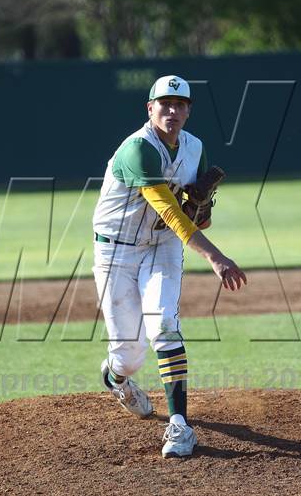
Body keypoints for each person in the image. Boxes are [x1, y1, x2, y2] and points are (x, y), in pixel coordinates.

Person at [92, 75, 247, 458]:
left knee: (163, 323)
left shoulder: (195, 149)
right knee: (129, 356)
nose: (172, 111)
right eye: (164, 103)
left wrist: (202, 206)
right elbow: (171, 212)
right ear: (150, 109)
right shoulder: (138, 149)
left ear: (189, 111)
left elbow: (197, 218)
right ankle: (115, 378)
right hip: (116, 252)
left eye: (180, 105)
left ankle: (180, 424)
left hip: (161, 247)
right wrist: (216, 257)